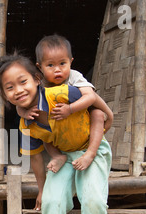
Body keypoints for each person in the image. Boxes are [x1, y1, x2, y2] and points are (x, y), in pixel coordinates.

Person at [0, 53, 118, 214]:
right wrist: (42, 189)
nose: (18, 90)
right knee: (52, 200)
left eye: (23, 82)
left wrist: (108, 114)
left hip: (91, 149)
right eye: (9, 87)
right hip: (64, 156)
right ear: (4, 95)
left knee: (93, 199)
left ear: (37, 79)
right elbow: (37, 159)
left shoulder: (58, 93)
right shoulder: (25, 123)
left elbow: (91, 97)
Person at [17, 34, 113, 175]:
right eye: (50, 65)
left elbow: (91, 97)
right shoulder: (40, 83)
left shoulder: (74, 77)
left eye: (62, 63)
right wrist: (24, 113)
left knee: (97, 114)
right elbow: (21, 103)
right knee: (43, 131)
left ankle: (90, 153)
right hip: (61, 128)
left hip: (82, 121)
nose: (57, 69)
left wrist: (70, 109)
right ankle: (57, 156)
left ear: (70, 62)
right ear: (40, 67)